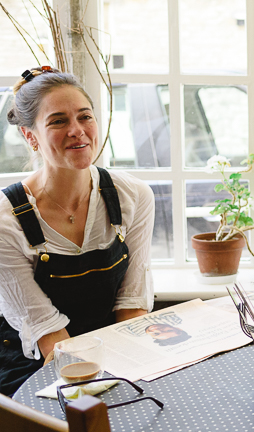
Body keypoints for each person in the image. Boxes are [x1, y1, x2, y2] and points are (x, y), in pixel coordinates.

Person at [0, 67, 154, 395]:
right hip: (33, 362)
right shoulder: (5, 221)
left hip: (110, 352)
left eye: (85, 117)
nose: (77, 131)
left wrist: (134, 375)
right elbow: (49, 335)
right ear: (30, 136)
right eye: (58, 121)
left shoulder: (133, 196)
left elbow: (131, 306)